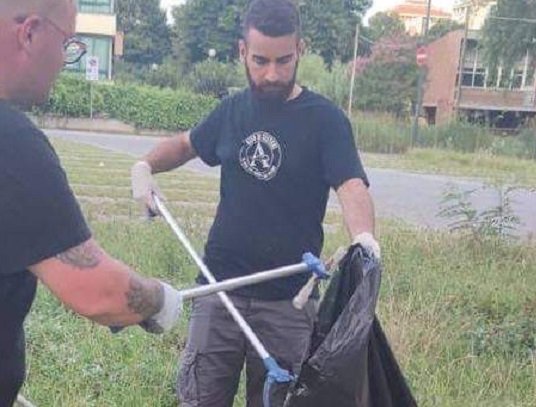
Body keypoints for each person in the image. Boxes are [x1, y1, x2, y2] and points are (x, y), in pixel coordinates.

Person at [130, 1, 380, 405]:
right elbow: (185, 145)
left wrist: (364, 237)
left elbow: (351, 184)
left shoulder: (325, 120)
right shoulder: (232, 111)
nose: (272, 74)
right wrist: (145, 166)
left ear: (301, 48)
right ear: (242, 51)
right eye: (261, 60)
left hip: (288, 304)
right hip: (219, 292)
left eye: (284, 60)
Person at [0, 0, 183, 405]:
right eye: (68, 43)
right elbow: (100, 291)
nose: (66, 61)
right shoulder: (12, 144)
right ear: (29, 33)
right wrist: (160, 299)